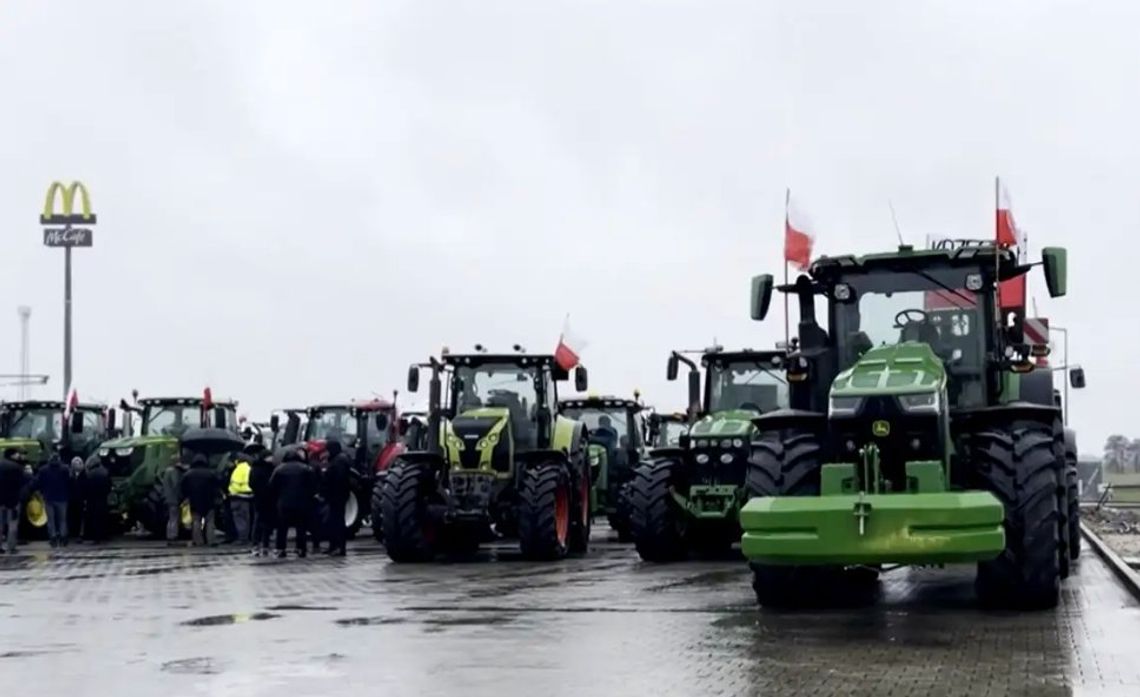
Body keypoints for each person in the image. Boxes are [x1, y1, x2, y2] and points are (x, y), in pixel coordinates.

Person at [270, 448, 317, 558]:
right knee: (301, 527)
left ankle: (280, 549)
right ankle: (301, 548)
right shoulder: (306, 469)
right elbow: (313, 486)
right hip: (302, 503)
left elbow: (272, 486)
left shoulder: (279, 469)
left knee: (282, 528)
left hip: (284, 503)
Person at [181, 454, 221, 547]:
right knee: (210, 522)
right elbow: (217, 486)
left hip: (194, 501)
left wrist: (186, 497)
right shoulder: (211, 473)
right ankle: (211, 540)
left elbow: (183, 487)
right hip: (209, 501)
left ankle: (198, 541)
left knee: (196, 521)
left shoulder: (188, 474)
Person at [322, 439, 352, 557]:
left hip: (337, 496)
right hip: (337, 496)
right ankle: (334, 546)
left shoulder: (339, 461)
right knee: (334, 521)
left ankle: (339, 547)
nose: (326, 452)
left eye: (328, 450)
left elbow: (339, 480)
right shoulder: (338, 459)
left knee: (337, 522)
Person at [36, 453, 71, 547]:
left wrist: (42, 492)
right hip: (62, 498)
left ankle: (53, 538)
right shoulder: (65, 469)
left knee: (51, 520)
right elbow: (69, 482)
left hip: (49, 498)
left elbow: (39, 483)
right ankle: (63, 538)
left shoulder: (43, 470)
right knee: (62, 520)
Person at [0, 448, 29, 554]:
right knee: (12, 524)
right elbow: (23, 482)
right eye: (17, 454)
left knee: (0, 524)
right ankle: (11, 547)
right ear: (12, 455)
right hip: (13, 501)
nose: (19, 456)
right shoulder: (17, 468)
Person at [248, 450, 275, 556]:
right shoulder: (262, 469)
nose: (271, 459)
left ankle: (264, 545)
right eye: (269, 457)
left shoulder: (257, 468)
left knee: (266, 523)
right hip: (263, 499)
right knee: (260, 523)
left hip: (265, 499)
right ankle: (258, 544)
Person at [227, 446, 256, 544]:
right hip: (248, 496)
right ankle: (246, 537)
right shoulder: (249, 468)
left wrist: (231, 491)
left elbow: (235, 484)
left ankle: (242, 538)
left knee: (239, 519)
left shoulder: (238, 469)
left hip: (237, 496)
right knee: (246, 518)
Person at [83, 457, 112, 543]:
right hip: (103, 499)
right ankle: (104, 535)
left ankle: (95, 536)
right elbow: (109, 486)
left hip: (92, 500)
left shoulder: (89, 474)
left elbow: (86, 488)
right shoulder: (105, 472)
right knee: (103, 517)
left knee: (94, 518)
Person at [160, 453, 187, 544]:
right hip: (174, 498)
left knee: (171, 518)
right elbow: (176, 485)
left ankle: (169, 535)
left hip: (167, 497)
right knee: (175, 518)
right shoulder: (174, 471)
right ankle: (173, 536)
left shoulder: (167, 471)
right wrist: (181, 496)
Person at [67, 457, 86, 542]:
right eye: (75, 463)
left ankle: (80, 534)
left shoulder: (85, 474)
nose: (77, 464)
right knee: (72, 517)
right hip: (72, 500)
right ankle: (73, 533)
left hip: (81, 499)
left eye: (79, 462)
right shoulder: (70, 475)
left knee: (81, 517)